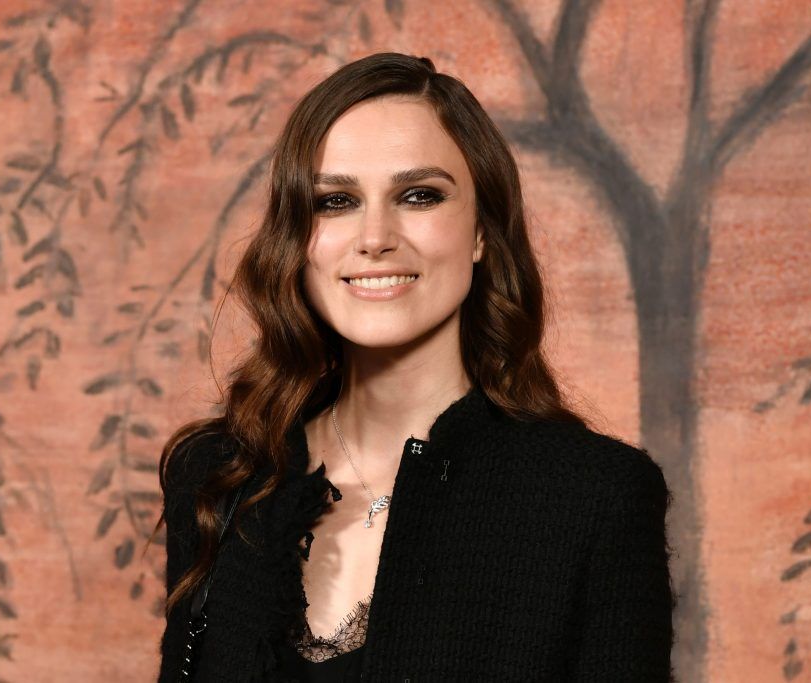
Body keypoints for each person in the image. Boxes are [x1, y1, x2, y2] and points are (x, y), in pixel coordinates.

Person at [154, 52, 674, 682]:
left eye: (419, 195)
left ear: (481, 232)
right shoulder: (220, 477)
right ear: (298, 238)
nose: (375, 236)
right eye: (335, 201)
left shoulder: (595, 497)